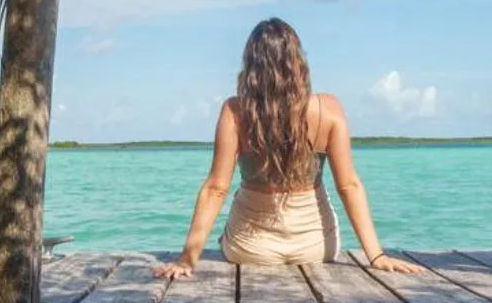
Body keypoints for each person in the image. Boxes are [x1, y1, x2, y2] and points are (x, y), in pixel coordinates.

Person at [154, 18, 425, 279]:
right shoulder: (329, 109)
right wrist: (376, 256)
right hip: (315, 246)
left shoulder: (235, 111)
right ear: (298, 61)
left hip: (249, 249)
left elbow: (216, 188)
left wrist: (187, 259)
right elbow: (349, 186)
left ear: (251, 65)